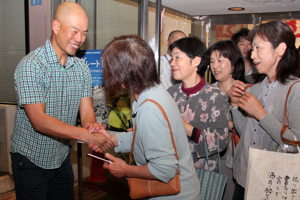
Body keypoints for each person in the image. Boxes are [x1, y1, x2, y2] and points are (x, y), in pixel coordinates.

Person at [11, 2, 114, 199]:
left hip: (61, 156)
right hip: (30, 159)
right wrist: (85, 135)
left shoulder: (81, 69)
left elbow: (86, 111)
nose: (80, 39)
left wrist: (92, 127)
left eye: (84, 33)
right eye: (74, 31)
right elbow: (39, 121)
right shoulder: (32, 66)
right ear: (56, 26)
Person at [96, 35, 200, 199]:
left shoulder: (149, 109)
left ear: (122, 78)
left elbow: (164, 170)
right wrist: (112, 139)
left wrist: (125, 170)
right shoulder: (153, 92)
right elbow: (145, 136)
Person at [229, 21, 300, 200]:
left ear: (280, 49)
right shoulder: (255, 88)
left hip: (271, 180)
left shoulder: (295, 89)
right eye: (252, 49)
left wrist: (261, 114)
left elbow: (296, 140)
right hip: (243, 177)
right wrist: (235, 105)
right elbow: (245, 131)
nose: (252, 55)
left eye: (258, 48)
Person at [167, 37, 229, 173]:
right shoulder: (170, 94)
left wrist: (188, 129)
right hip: (172, 171)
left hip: (202, 173)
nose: (172, 63)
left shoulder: (215, 96)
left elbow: (221, 142)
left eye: (177, 58)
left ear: (196, 61)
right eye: (171, 58)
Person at [208, 40, 245, 200]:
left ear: (234, 64)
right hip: (209, 156)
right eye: (212, 61)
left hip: (233, 158)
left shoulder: (244, 91)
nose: (215, 66)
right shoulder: (207, 92)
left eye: (220, 60)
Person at [148, 9, 187, 89]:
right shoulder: (161, 62)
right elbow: (149, 57)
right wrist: (158, 32)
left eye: (183, 43)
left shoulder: (187, 63)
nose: (180, 46)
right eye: (176, 43)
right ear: (167, 43)